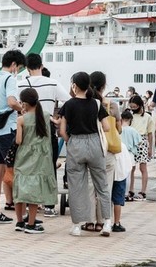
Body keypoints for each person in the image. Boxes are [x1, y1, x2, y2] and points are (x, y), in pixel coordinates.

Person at [59, 72, 112, 237]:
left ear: (74, 85)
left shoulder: (68, 104)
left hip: (76, 143)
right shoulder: (96, 103)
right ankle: (107, 223)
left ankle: (77, 225)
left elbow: (62, 131)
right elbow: (107, 127)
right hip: (94, 143)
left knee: (76, 187)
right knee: (102, 185)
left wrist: (70, 141)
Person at [17, 53, 70, 217]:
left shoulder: (20, 84)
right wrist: (58, 118)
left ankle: (27, 204)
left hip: (26, 125)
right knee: (48, 166)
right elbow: (68, 101)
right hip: (46, 125)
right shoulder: (53, 82)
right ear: (42, 66)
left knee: (28, 167)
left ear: (26, 68)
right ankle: (48, 206)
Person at [0, 50, 25, 223]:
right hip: (8, 130)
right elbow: (11, 101)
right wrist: (21, 108)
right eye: (19, 67)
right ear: (14, 65)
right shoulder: (10, 79)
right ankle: (22, 215)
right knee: (17, 171)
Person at [12, 88, 56, 234]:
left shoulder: (21, 119)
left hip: (24, 157)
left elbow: (18, 141)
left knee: (20, 187)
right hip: (41, 158)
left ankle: (19, 222)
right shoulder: (45, 115)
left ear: (24, 104)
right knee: (34, 190)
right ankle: (31, 224)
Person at [90, 71, 121, 233]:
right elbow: (119, 129)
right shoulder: (112, 105)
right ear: (104, 86)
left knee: (90, 186)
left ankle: (90, 221)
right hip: (108, 149)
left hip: (91, 147)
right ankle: (102, 222)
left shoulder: (87, 103)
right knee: (105, 187)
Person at [126, 95, 154, 201]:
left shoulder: (147, 117)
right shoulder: (129, 116)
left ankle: (143, 191)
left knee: (143, 168)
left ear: (139, 105)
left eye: (134, 106)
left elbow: (150, 133)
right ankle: (131, 190)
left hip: (142, 141)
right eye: (131, 107)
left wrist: (150, 148)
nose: (133, 108)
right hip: (131, 142)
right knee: (131, 168)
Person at [116, 110, 140, 232]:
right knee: (129, 173)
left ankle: (122, 193)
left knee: (119, 173)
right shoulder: (133, 130)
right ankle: (127, 192)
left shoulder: (118, 130)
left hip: (118, 152)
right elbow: (138, 142)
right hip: (129, 153)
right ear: (130, 120)